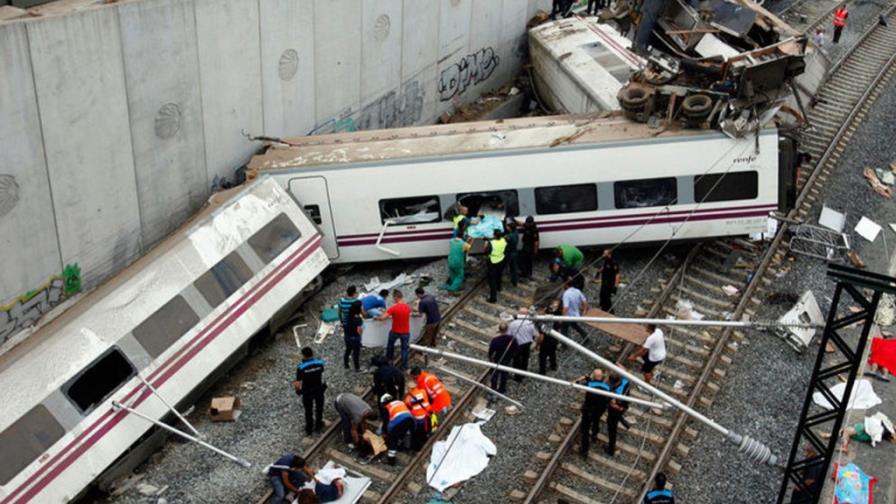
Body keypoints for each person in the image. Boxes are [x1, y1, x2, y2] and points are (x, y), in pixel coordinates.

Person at [577, 368, 610, 457]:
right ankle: (594, 435)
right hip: (599, 410)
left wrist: (583, 378)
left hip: (589, 411)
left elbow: (576, 384)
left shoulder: (589, 385)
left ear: (593, 376)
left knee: (585, 430)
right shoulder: (607, 387)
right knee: (596, 421)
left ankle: (584, 450)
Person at [294, 347, 326, 435]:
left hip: (307, 391)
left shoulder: (301, 367)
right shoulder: (320, 363)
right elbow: (322, 375)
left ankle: (309, 428)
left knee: (308, 410)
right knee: (319, 408)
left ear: (304, 355)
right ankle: (318, 424)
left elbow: (297, 383)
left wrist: (298, 391)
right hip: (319, 389)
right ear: (312, 354)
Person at [377, 289, 411, 369]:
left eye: (393, 298)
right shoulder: (408, 307)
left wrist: (377, 317)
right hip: (405, 332)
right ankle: (404, 366)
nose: (393, 300)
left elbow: (383, 318)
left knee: (390, 346)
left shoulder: (394, 308)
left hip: (395, 331)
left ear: (396, 297)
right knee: (404, 349)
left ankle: (389, 360)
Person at [381, 394, 414, 465]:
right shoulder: (400, 402)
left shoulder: (387, 407)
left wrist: (385, 433)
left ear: (384, 403)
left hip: (400, 422)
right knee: (402, 433)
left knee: (392, 439)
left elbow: (386, 422)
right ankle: (403, 446)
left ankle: (391, 460)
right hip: (410, 419)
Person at [508, 308, 538, 381]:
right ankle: (523, 374)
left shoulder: (513, 323)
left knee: (516, 361)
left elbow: (509, 335)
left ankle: (517, 376)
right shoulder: (530, 324)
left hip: (517, 344)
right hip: (527, 345)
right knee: (525, 359)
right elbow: (535, 334)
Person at [488, 322, 518, 394]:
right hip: (507, 358)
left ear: (499, 330)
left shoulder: (495, 340)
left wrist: (490, 358)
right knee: (504, 374)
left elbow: (491, 350)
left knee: (495, 375)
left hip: (497, 358)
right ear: (507, 329)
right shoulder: (512, 339)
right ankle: (502, 389)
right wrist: (511, 355)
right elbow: (516, 349)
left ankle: (493, 389)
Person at [605, 371, 630, 457]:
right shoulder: (625, 381)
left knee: (612, 428)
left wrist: (611, 403)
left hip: (616, 411)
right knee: (620, 415)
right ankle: (625, 424)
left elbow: (619, 408)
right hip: (625, 405)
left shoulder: (615, 393)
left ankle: (611, 449)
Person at [404, 386, 432, 451]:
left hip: (416, 418)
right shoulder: (423, 391)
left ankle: (416, 447)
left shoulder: (408, 398)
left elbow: (407, 409)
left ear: (410, 389)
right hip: (425, 415)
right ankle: (425, 440)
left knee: (416, 432)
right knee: (424, 430)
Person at [561, 277, 589, 341]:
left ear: (566, 285)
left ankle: (564, 343)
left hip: (568, 316)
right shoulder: (577, 291)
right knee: (575, 326)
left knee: (564, 329)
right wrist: (584, 311)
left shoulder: (566, 294)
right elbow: (585, 302)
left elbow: (565, 308)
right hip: (576, 315)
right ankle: (585, 337)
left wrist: (562, 318)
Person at [537, 300, 561, 375]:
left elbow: (541, 335)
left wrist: (538, 344)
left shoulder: (544, 323)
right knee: (552, 353)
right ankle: (553, 366)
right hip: (554, 339)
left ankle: (542, 371)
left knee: (542, 356)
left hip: (546, 341)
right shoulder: (556, 320)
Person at [485, 230, 507, 303]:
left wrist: (486, 244)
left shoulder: (491, 243)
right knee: (499, 275)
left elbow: (487, 251)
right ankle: (499, 287)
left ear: (494, 235)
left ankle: (493, 298)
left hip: (493, 261)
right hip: (501, 260)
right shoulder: (503, 240)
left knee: (492, 280)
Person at [343, 300, 363, 371]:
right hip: (355, 337)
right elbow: (359, 330)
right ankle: (357, 368)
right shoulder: (358, 319)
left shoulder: (348, 315)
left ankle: (346, 364)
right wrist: (361, 335)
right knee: (356, 353)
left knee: (348, 350)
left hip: (347, 336)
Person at [518, 216, 539, 280]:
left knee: (528, 261)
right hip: (525, 245)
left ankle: (528, 274)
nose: (526, 223)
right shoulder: (528, 225)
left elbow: (536, 242)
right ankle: (525, 273)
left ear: (531, 223)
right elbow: (521, 224)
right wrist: (514, 220)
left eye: (528, 223)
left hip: (530, 247)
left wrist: (535, 250)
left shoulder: (534, 229)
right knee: (523, 260)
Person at [505, 219, 520, 287]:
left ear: (511, 229)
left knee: (512, 267)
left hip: (510, 253)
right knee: (514, 267)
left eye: (508, 227)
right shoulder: (516, 232)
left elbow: (504, 239)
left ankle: (514, 280)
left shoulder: (510, 236)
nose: (507, 228)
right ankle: (515, 281)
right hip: (515, 252)